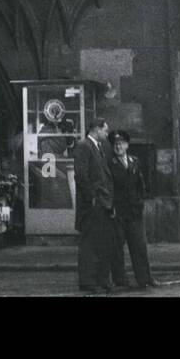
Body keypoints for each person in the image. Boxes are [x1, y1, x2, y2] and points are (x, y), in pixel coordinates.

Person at [108, 130, 156, 291]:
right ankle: (120, 279)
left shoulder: (134, 161)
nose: (118, 146)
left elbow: (140, 183)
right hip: (118, 211)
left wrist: (140, 200)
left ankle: (145, 278)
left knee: (139, 245)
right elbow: (109, 187)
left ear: (127, 145)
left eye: (121, 143)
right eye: (115, 144)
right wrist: (111, 207)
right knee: (117, 246)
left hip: (134, 211)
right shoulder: (109, 163)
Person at [73, 117, 115, 293]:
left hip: (102, 202)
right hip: (93, 204)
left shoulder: (98, 147)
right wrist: (92, 198)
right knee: (90, 243)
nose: (106, 134)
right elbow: (81, 175)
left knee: (101, 242)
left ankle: (100, 280)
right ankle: (88, 281)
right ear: (96, 129)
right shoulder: (84, 146)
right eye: (105, 130)